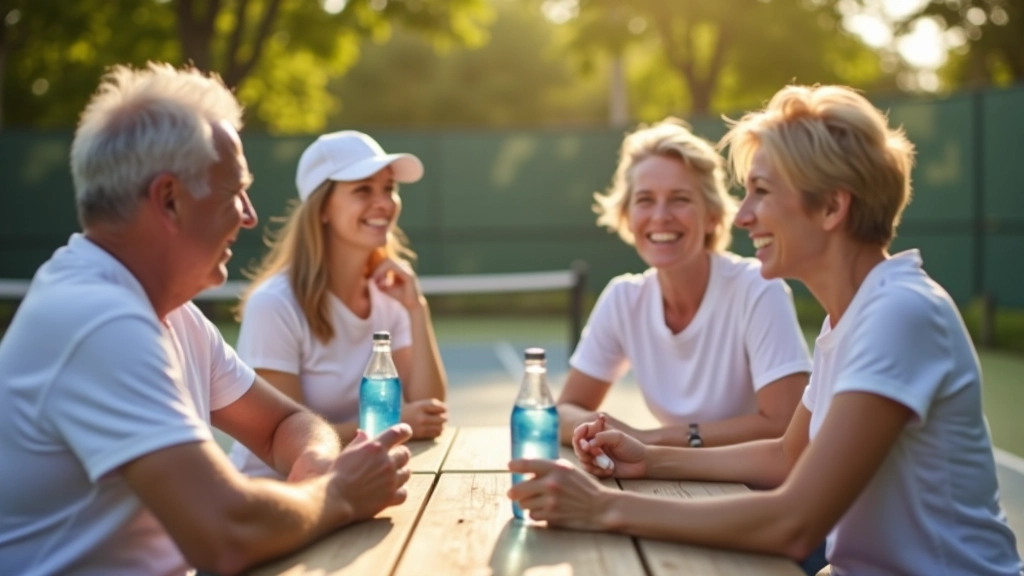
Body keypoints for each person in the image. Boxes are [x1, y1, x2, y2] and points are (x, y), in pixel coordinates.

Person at [509, 85, 1023, 576]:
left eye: (761, 192)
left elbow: (793, 525)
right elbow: (785, 456)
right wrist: (649, 457)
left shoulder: (900, 314)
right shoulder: (849, 317)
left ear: (831, 207)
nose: (746, 215)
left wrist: (602, 509)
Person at [0, 63, 412, 576]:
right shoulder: (97, 318)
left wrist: (318, 467)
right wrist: (338, 493)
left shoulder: (171, 313)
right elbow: (226, 534)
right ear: (169, 200)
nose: (249, 214)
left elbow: (287, 423)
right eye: (233, 191)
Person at [557, 118, 811, 448]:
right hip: (683, 483)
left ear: (712, 215)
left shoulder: (758, 288)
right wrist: (597, 430)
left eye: (680, 199)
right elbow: (562, 411)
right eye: (645, 200)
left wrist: (650, 440)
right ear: (627, 216)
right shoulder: (623, 298)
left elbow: (786, 424)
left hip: (759, 491)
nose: (661, 216)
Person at [226, 130, 447, 478]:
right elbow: (285, 442)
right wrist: (388, 426)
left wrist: (416, 309)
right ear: (322, 208)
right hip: (273, 495)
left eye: (388, 188)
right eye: (363, 189)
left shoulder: (392, 297)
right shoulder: (273, 304)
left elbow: (429, 408)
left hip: (349, 485)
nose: (384, 203)